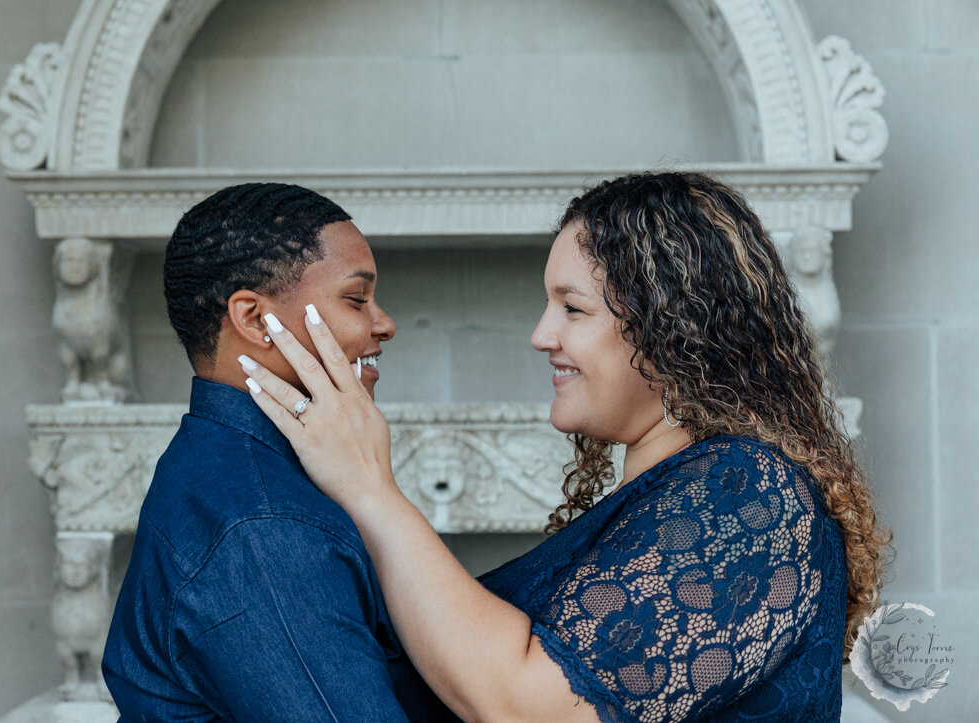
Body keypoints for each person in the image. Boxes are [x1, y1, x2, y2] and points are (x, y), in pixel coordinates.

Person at [242, 171, 891, 722]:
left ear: (670, 330)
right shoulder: (690, 496)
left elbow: (529, 708)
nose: (540, 334)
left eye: (572, 309)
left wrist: (368, 488)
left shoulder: (745, 494)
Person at [102, 183, 451, 721]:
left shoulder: (233, 470)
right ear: (253, 320)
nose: (384, 324)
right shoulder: (263, 529)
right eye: (357, 299)